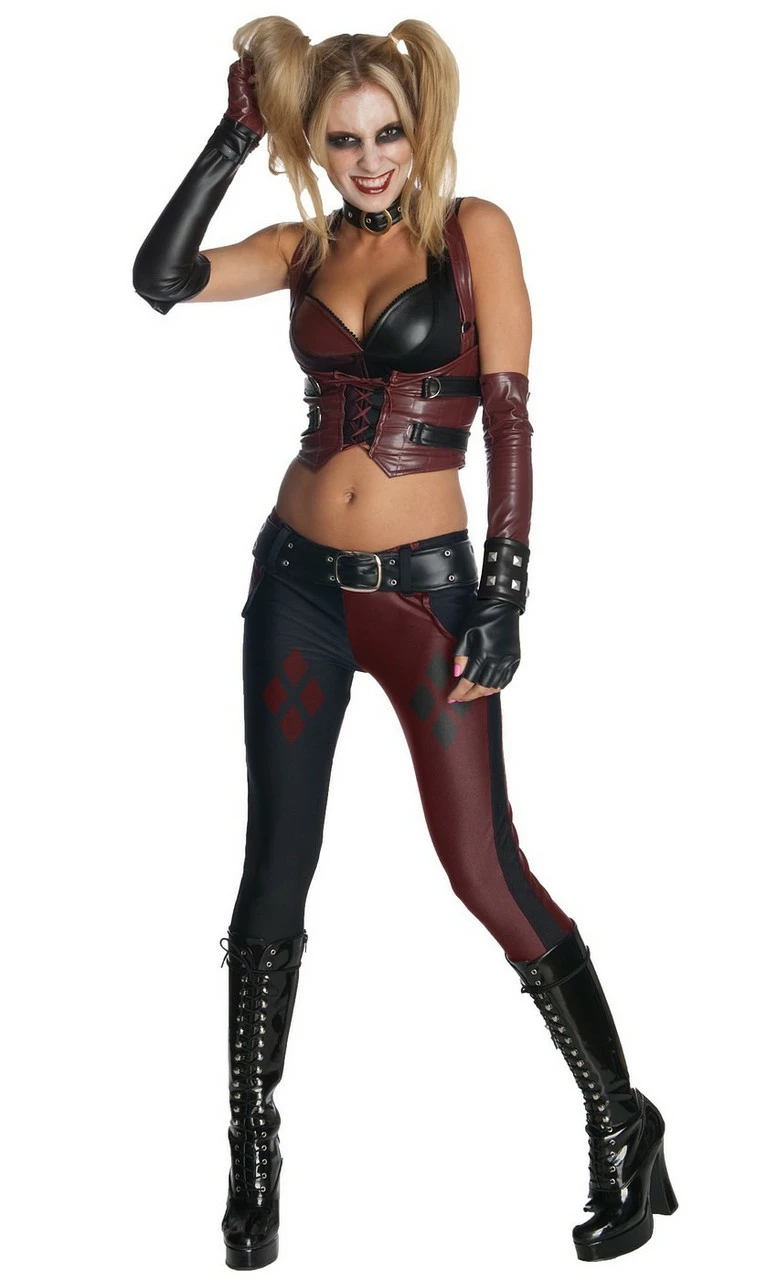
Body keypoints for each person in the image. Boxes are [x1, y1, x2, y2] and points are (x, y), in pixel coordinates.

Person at [132, 17, 678, 1270]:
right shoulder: (303, 246)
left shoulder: (472, 232)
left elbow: (512, 422)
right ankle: (252, 1156)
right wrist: (230, 138)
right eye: (341, 140)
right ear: (313, 146)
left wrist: (507, 589)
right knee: (273, 868)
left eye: (385, 132)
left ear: (417, 127)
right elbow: (159, 279)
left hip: (428, 599)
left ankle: (621, 1119)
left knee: (482, 866)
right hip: (294, 587)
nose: (369, 158)